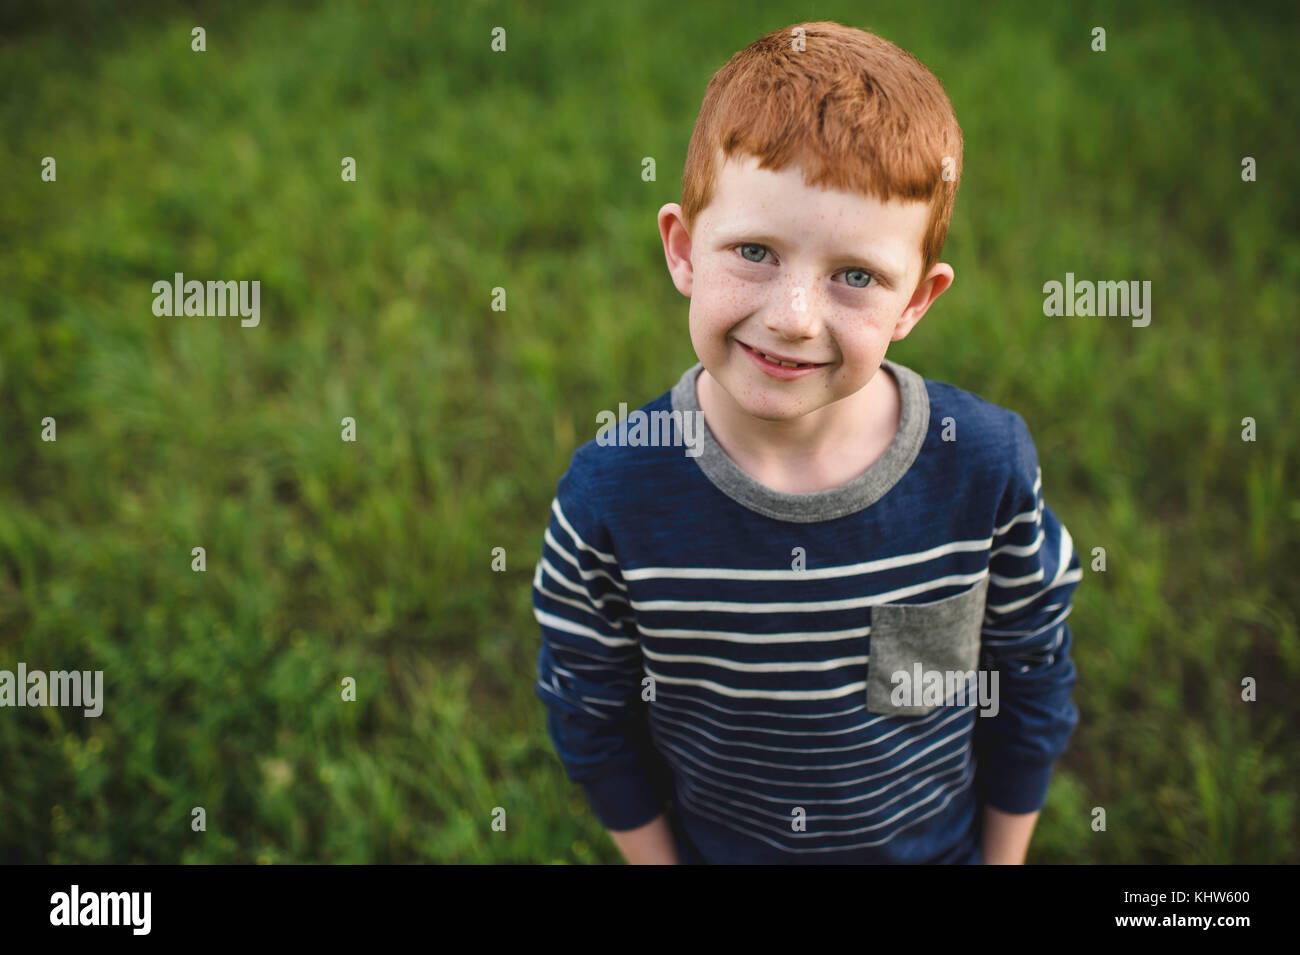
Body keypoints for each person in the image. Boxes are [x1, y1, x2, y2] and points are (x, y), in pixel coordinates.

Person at [532, 20, 1081, 864]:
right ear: (682, 249)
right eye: (754, 251)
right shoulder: (611, 498)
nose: (793, 317)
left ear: (916, 301)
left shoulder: (983, 467)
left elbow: (1031, 672)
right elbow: (590, 712)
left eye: (855, 276)